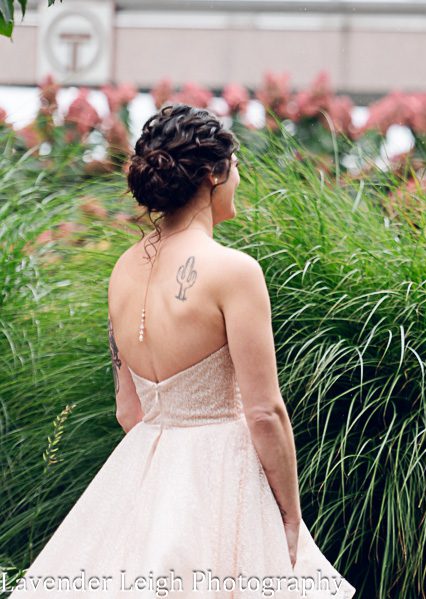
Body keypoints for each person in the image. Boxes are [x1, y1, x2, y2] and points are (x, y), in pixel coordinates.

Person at [8, 104, 355, 598]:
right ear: (213, 174)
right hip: (219, 476)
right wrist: (291, 518)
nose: (239, 179)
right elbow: (264, 412)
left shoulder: (122, 271)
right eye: (235, 168)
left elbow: (128, 410)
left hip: (143, 473)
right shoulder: (233, 271)